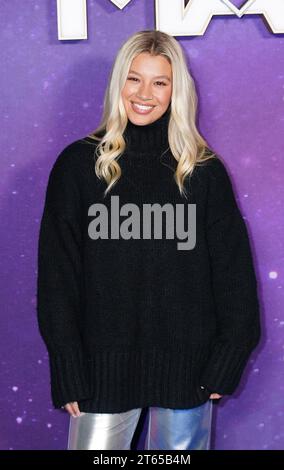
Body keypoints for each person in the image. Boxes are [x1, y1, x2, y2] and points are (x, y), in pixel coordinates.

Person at [36, 29, 261, 450]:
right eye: (134, 78)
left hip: (189, 373)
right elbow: (57, 278)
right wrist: (66, 364)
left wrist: (227, 358)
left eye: (160, 82)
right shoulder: (78, 166)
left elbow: (234, 274)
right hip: (99, 374)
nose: (145, 93)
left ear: (176, 91)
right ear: (118, 82)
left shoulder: (203, 171)